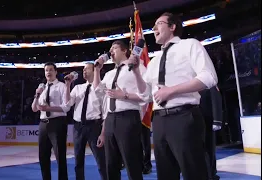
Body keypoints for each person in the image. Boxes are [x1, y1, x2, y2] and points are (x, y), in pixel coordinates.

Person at [128, 12, 218, 180]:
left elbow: (209, 77)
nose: (154, 28)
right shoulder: (154, 60)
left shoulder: (190, 45)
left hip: (184, 117)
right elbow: (146, 95)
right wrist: (136, 73)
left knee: (194, 173)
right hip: (159, 122)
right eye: (153, 26)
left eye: (159, 24)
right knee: (166, 175)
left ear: (172, 26)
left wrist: (171, 90)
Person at [93, 40, 146, 180]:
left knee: (131, 162)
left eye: (114, 48)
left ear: (124, 50)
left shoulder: (137, 67)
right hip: (110, 119)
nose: (111, 50)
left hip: (128, 117)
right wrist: (97, 71)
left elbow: (146, 95)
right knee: (111, 164)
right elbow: (98, 90)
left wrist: (124, 95)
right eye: (110, 48)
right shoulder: (110, 73)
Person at [64, 63, 107, 180]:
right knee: (78, 160)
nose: (84, 71)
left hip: (94, 126)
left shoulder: (101, 87)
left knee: (101, 159)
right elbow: (67, 104)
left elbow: (105, 112)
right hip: (78, 127)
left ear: (94, 71)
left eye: (87, 69)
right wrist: (68, 85)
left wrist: (103, 133)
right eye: (83, 69)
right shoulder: (78, 88)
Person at [31, 62, 69, 180]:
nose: (48, 72)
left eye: (51, 70)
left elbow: (66, 107)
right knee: (43, 156)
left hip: (58, 122)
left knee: (60, 156)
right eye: (46, 70)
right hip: (43, 124)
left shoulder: (62, 86)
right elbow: (34, 108)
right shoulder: (42, 88)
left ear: (56, 72)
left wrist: (48, 108)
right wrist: (37, 95)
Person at [199, 86, 223, 180]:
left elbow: (216, 99)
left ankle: (211, 173)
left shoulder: (208, 83)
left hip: (208, 122)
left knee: (209, 149)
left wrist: (217, 120)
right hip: (196, 122)